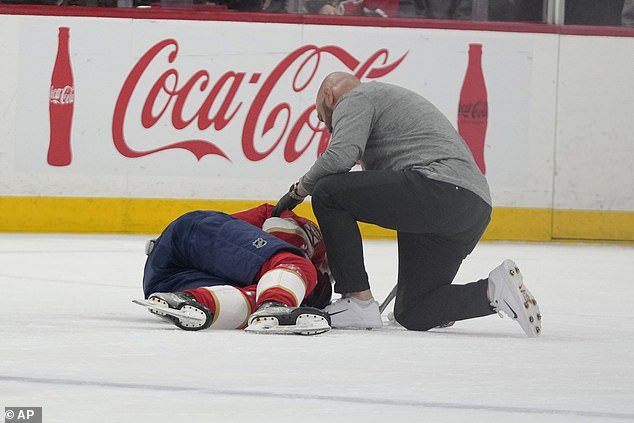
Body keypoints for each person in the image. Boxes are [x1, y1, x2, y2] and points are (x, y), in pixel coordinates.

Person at [271, 72, 542, 337]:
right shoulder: (384, 103)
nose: (328, 128)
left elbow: (340, 156)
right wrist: (338, 249)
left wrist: (299, 190)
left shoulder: (356, 98)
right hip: (471, 207)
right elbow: (376, 194)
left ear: (329, 97)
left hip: (439, 188)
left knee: (327, 191)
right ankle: (494, 291)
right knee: (413, 310)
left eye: (322, 118)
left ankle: (358, 301)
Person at [139, 203, 332, 335]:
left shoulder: (322, 293)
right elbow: (276, 237)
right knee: (294, 264)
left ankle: (190, 300)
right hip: (190, 240)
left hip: (165, 282)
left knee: (262, 304)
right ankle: (274, 304)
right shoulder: (316, 241)